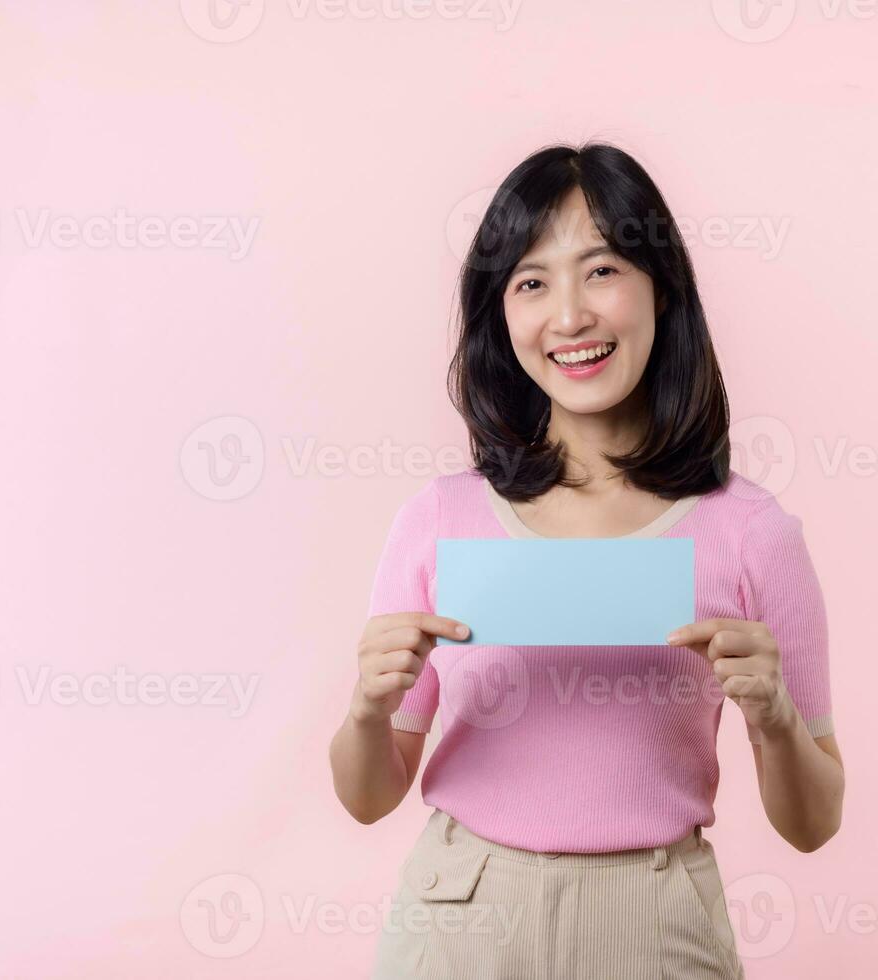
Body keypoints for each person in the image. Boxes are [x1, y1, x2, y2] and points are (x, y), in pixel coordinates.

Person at [328, 141, 844, 979]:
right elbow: (366, 798)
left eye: (601, 270)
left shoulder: (752, 532)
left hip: (656, 919)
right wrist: (364, 710)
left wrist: (776, 717)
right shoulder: (440, 519)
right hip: (460, 912)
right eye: (532, 282)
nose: (569, 317)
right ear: (501, 315)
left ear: (661, 289)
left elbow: (815, 823)